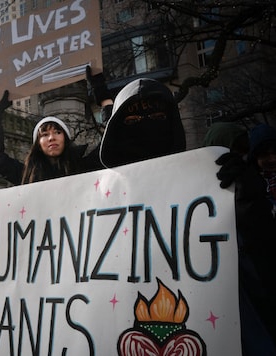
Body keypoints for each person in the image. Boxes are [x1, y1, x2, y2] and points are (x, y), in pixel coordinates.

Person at [87, 67, 276, 354]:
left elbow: (259, 262)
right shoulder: (100, 198)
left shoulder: (213, 183)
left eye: (158, 118)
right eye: (134, 120)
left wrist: (248, 200)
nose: (146, 127)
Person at [215, 123, 276, 353]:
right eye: (264, 154)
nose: (271, 159)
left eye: (274, 152)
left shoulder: (253, 182)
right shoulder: (244, 183)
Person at [0, 90, 82, 185]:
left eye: (57, 132)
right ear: (38, 144)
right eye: (45, 134)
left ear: (65, 138)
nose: (51, 138)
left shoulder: (82, 166)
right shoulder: (27, 175)